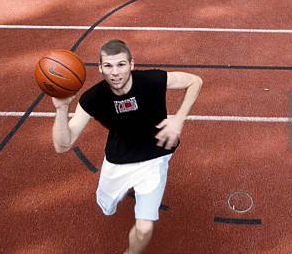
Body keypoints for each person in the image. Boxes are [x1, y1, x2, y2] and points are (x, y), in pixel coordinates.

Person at [51, 39, 203, 254]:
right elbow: (62, 145)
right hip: (118, 160)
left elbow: (195, 81)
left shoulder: (151, 80)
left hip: (155, 157)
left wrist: (179, 118)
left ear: (132, 65)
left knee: (144, 228)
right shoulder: (92, 98)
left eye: (121, 64)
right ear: (100, 68)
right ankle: (109, 200)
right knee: (106, 206)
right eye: (109, 66)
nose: (115, 72)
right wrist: (61, 108)